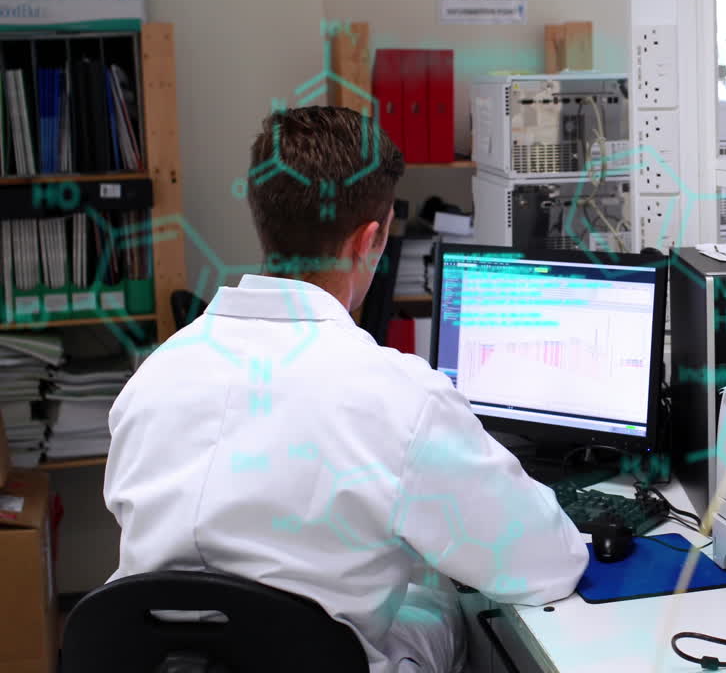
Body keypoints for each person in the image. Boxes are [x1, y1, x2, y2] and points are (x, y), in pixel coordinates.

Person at [103, 106, 588, 673]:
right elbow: (545, 563)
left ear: (263, 219)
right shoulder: (400, 399)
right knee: (442, 604)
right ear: (369, 241)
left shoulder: (154, 376)